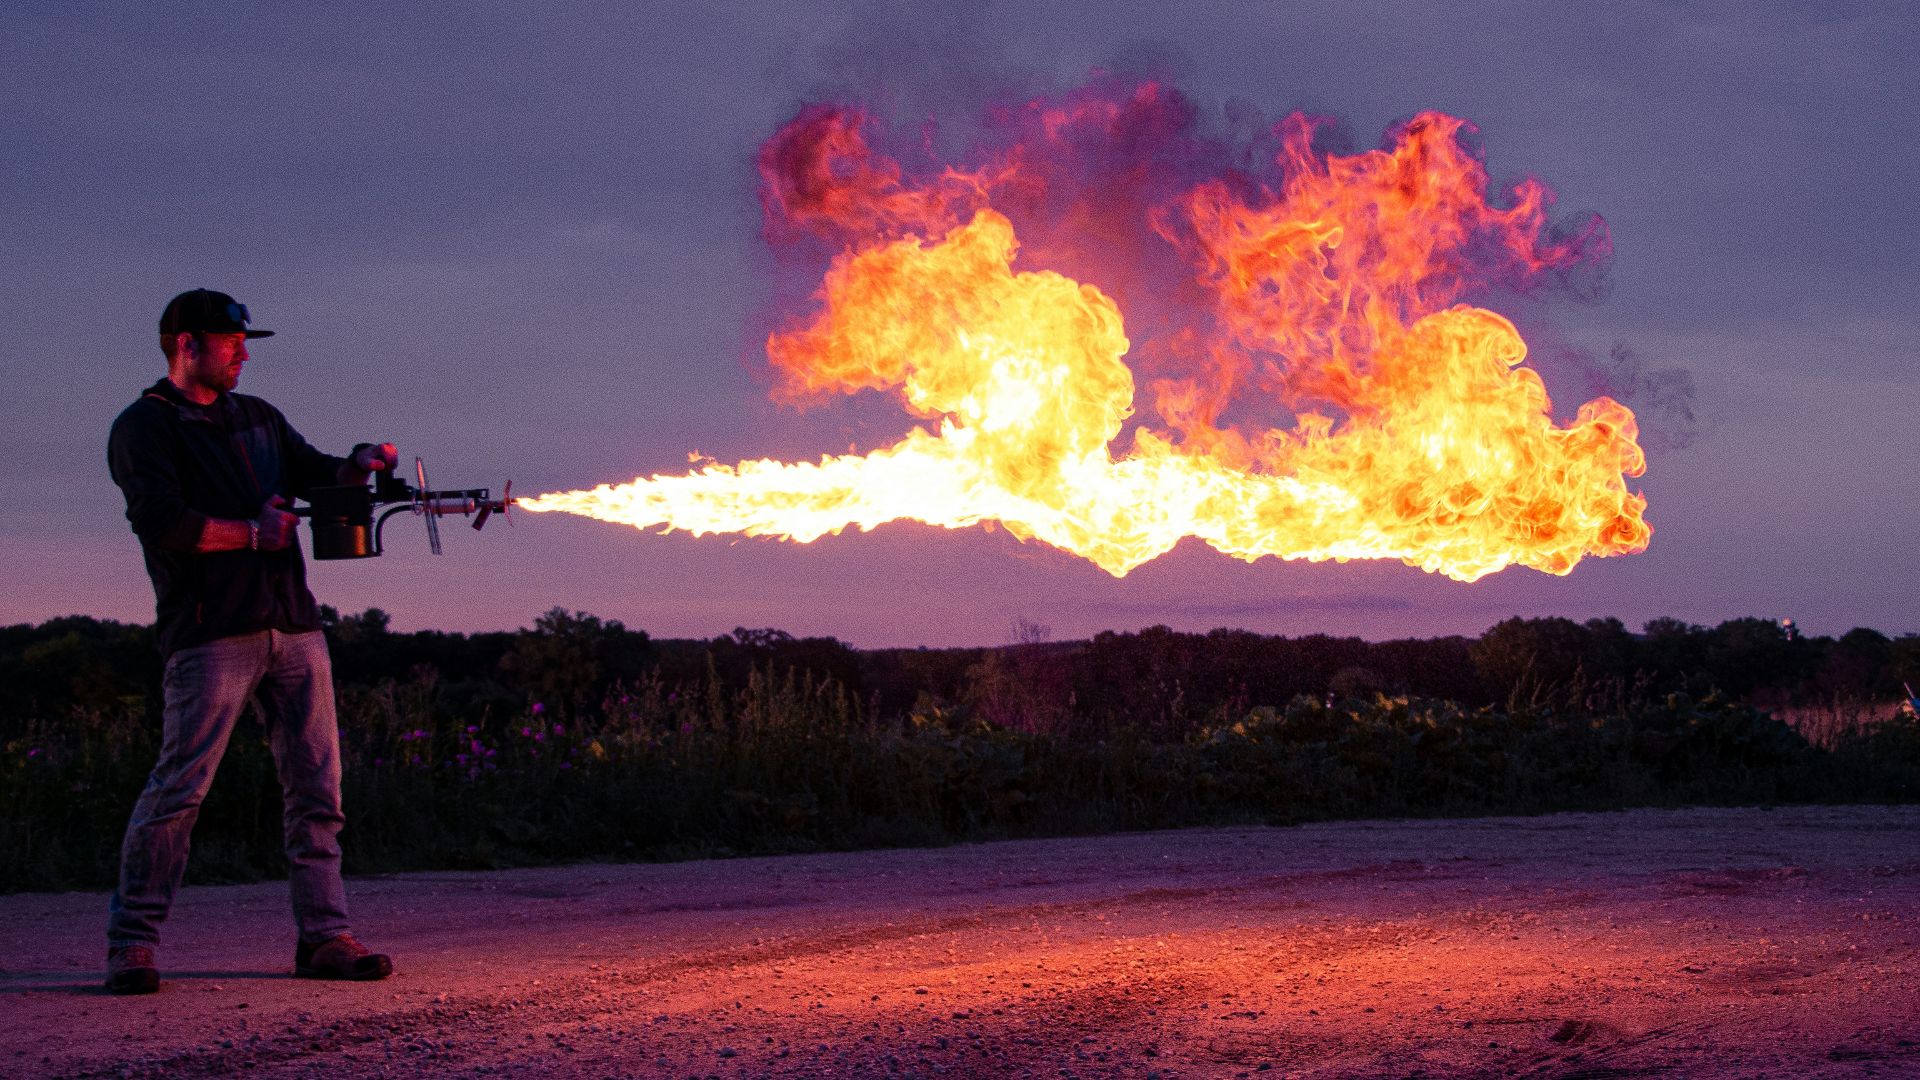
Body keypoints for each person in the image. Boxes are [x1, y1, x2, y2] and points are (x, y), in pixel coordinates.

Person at [103, 289, 397, 994]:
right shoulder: (145, 426)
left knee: (317, 790)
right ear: (186, 345)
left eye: (244, 341)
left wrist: (358, 464)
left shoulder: (257, 418)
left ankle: (325, 937)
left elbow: (315, 470)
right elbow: (160, 519)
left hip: (295, 628)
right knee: (179, 791)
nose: (242, 351)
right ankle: (133, 944)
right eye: (230, 339)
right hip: (210, 634)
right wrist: (249, 533)